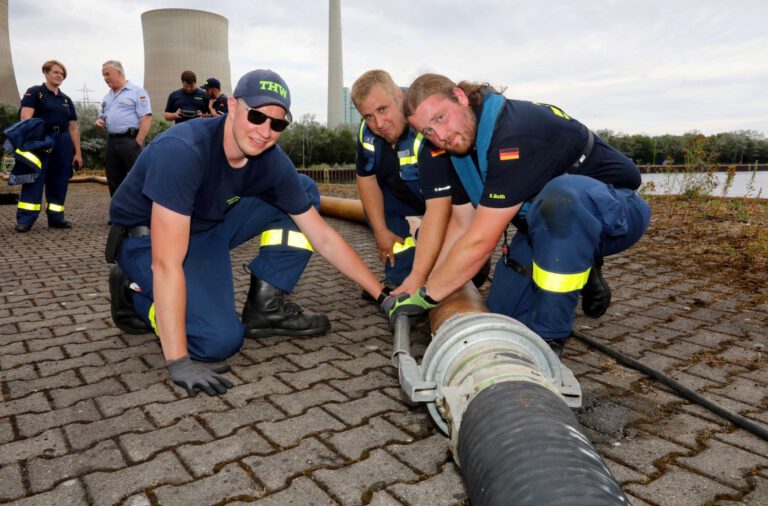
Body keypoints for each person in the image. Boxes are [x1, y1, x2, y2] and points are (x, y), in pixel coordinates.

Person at [107, 69, 387, 397]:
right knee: (216, 341)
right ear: (232, 106)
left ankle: (265, 306)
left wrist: (382, 296)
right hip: (150, 239)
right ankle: (135, 292)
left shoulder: (269, 159)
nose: (265, 132)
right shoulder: (183, 150)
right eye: (257, 117)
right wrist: (178, 361)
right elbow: (167, 263)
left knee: (303, 189)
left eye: (277, 124)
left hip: (206, 229)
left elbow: (322, 236)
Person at [392, 73, 651, 354]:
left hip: (615, 209)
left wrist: (428, 297)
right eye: (427, 132)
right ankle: (582, 265)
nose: (439, 136)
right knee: (504, 318)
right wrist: (428, 281)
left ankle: (549, 339)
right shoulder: (461, 147)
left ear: (461, 97)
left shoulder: (512, 133)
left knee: (562, 197)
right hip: (544, 226)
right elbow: (462, 224)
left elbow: (481, 242)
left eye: (440, 118)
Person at [350, 70, 456, 296]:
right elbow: (366, 179)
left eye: (382, 109)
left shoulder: (423, 123)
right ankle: (400, 280)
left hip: (446, 203)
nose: (378, 123)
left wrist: (424, 274)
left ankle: (441, 269)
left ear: (399, 96)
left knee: (448, 245)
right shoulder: (366, 134)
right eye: (368, 116)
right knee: (377, 209)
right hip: (404, 197)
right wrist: (380, 231)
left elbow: (441, 205)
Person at [15, 60, 82, 232]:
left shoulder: (65, 100)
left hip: (63, 141)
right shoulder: (35, 93)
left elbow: (73, 127)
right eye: (56, 72)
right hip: (41, 139)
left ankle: (56, 218)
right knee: (35, 178)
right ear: (45, 73)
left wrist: (78, 153)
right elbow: (25, 118)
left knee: (59, 180)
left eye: (62, 74)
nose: (59, 75)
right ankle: (26, 219)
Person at [95, 60, 152, 196]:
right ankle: (118, 214)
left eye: (108, 74)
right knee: (114, 179)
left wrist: (137, 142)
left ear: (119, 73)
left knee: (137, 179)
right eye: (103, 75)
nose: (105, 78)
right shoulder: (107, 97)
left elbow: (146, 118)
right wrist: (99, 121)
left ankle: (140, 214)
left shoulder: (137, 92)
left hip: (131, 141)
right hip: (112, 142)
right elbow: (102, 117)